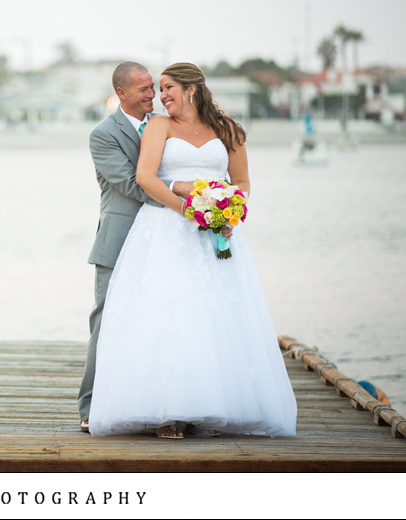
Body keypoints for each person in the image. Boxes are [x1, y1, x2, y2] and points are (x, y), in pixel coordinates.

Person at [88, 62, 297, 438]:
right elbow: (144, 177)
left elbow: (242, 181)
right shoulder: (158, 126)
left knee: (214, 316)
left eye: (166, 88)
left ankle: (210, 405)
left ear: (192, 89)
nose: (159, 96)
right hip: (169, 231)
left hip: (217, 232)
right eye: (154, 89)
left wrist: (231, 212)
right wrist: (188, 206)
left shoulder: (228, 129)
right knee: (168, 312)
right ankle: (164, 411)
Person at [78, 62, 193, 433]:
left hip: (164, 241)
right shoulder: (103, 135)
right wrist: (186, 197)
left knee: (158, 322)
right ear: (122, 94)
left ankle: (159, 403)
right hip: (119, 239)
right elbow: (131, 183)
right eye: (144, 89)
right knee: (106, 321)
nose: (153, 95)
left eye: (154, 87)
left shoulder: (164, 126)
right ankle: (92, 405)